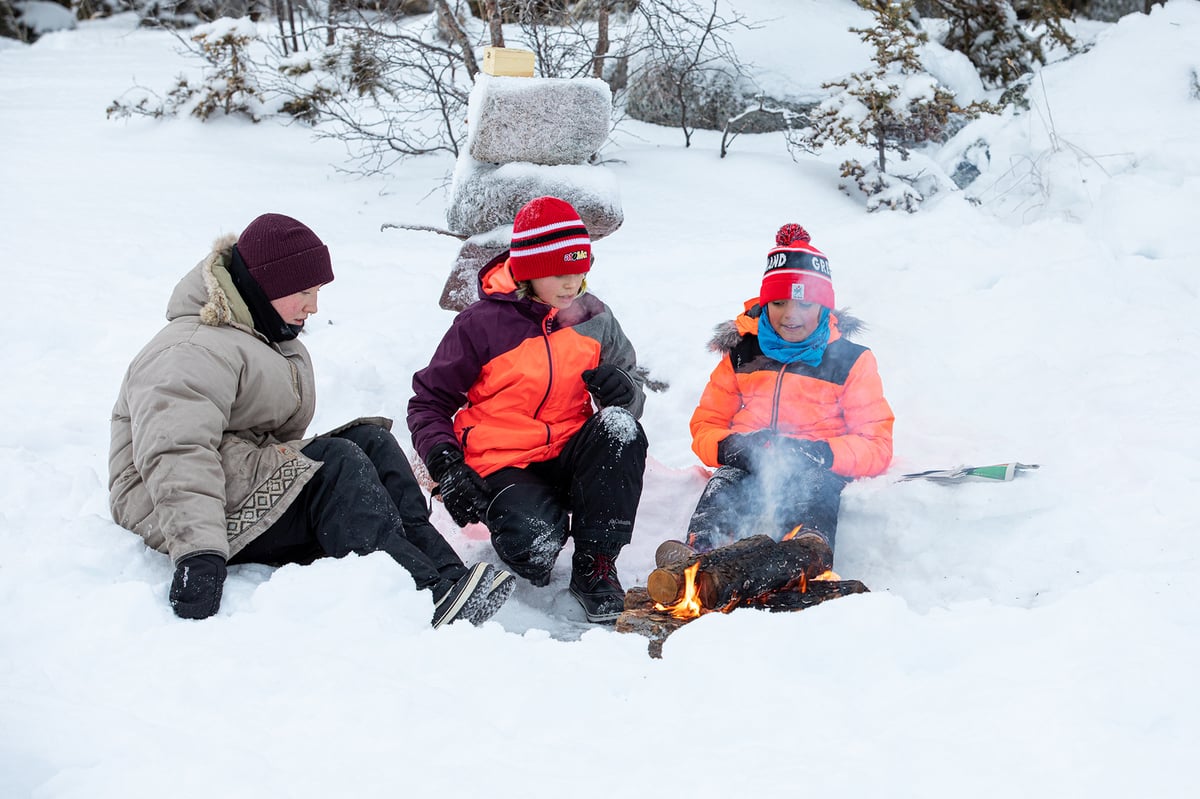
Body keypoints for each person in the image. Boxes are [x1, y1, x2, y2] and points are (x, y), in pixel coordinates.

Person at [108, 213, 513, 628]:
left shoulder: (257, 332)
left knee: (371, 441)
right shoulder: (193, 349)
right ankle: (420, 594)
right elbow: (176, 451)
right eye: (303, 291)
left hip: (229, 477)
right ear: (265, 284)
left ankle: (448, 578)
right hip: (166, 508)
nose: (313, 306)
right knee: (336, 467)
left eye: (317, 291)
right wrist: (198, 554)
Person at [407, 196, 649, 623]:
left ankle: (596, 565)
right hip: (501, 461)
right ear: (529, 271)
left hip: (568, 452)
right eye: (559, 272)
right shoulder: (481, 324)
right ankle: (534, 519)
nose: (572, 283)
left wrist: (623, 390)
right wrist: (445, 466)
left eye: (580, 269)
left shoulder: (594, 318)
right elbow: (428, 402)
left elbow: (634, 394)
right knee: (534, 551)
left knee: (620, 427)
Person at [676, 223, 893, 564]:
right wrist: (732, 446)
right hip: (749, 460)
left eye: (804, 304)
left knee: (815, 482)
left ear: (824, 307)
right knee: (725, 481)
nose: (790, 315)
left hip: (814, 465)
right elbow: (706, 423)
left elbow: (876, 442)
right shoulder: (741, 354)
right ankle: (695, 560)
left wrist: (821, 453)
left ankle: (804, 561)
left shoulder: (852, 361)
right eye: (778, 303)